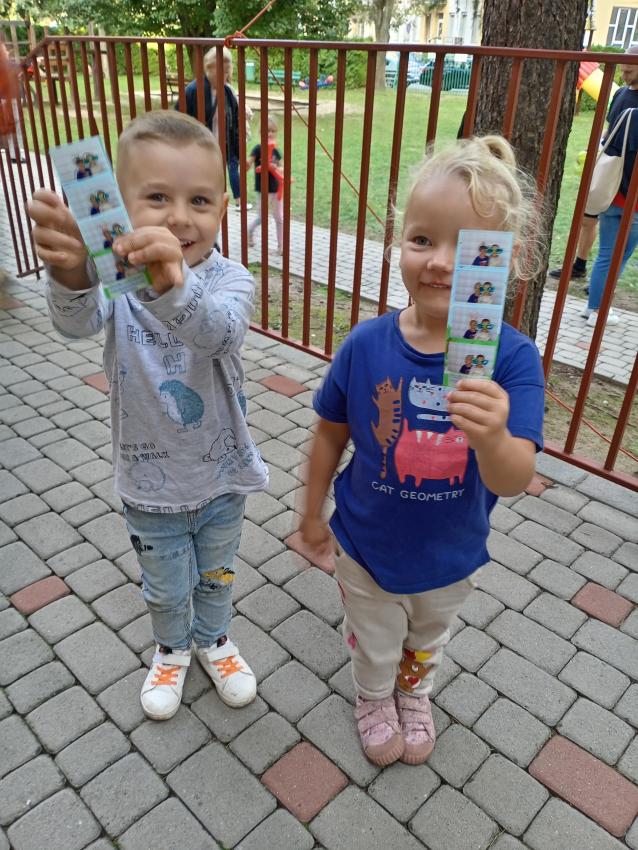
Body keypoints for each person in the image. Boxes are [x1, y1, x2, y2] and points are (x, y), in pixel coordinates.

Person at [299, 135, 544, 768]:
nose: (439, 262)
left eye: (467, 248)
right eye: (422, 239)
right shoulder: (365, 344)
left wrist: (493, 436)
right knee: (374, 640)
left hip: (451, 553)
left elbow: (514, 477)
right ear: (399, 243)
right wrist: (310, 513)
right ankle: (373, 696)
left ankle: (413, 692)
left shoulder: (513, 360)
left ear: (508, 260)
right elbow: (330, 432)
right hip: (366, 545)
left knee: (427, 637)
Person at [28, 110, 269, 722]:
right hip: (148, 481)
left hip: (221, 475)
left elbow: (219, 334)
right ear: (116, 204)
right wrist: (70, 272)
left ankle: (214, 640)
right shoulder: (115, 283)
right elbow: (75, 323)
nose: (180, 217)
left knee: (216, 574)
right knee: (163, 585)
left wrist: (170, 284)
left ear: (223, 209)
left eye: (200, 200)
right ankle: (171, 649)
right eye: (157, 198)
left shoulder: (231, 280)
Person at [549, 45, 638, 285]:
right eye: (623, 67)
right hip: (607, 172)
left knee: (617, 247)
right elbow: (610, 129)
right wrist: (596, 150)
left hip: (629, 182)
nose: (624, 71)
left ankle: (601, 283)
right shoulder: (621, 94)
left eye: (629, 68)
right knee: (588, 219)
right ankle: (580, 265)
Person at [180, 47, 252, 212]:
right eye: (216, 71)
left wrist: (238, 149)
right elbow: (181, 118)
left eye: (225, 72)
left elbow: (236, 119)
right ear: (208, 69)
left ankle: (236, 202)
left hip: (226, 143)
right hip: (204, 145)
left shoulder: (228, 91)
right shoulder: (194, 90)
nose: (221, 76)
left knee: (230, 169)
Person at [247, 116, 284, 255]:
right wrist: (246, 163)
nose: (270, 134)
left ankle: (281, 247)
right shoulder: (258, 149)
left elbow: (282, 168)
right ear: (260, 133)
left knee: (279, 218)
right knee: (262, 218)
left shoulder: (276, 151)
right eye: (267, 131)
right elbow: (248, 164)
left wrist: (276, 168)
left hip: (276, 190)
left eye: (273, 131)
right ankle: (249, 232)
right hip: (262, 190)